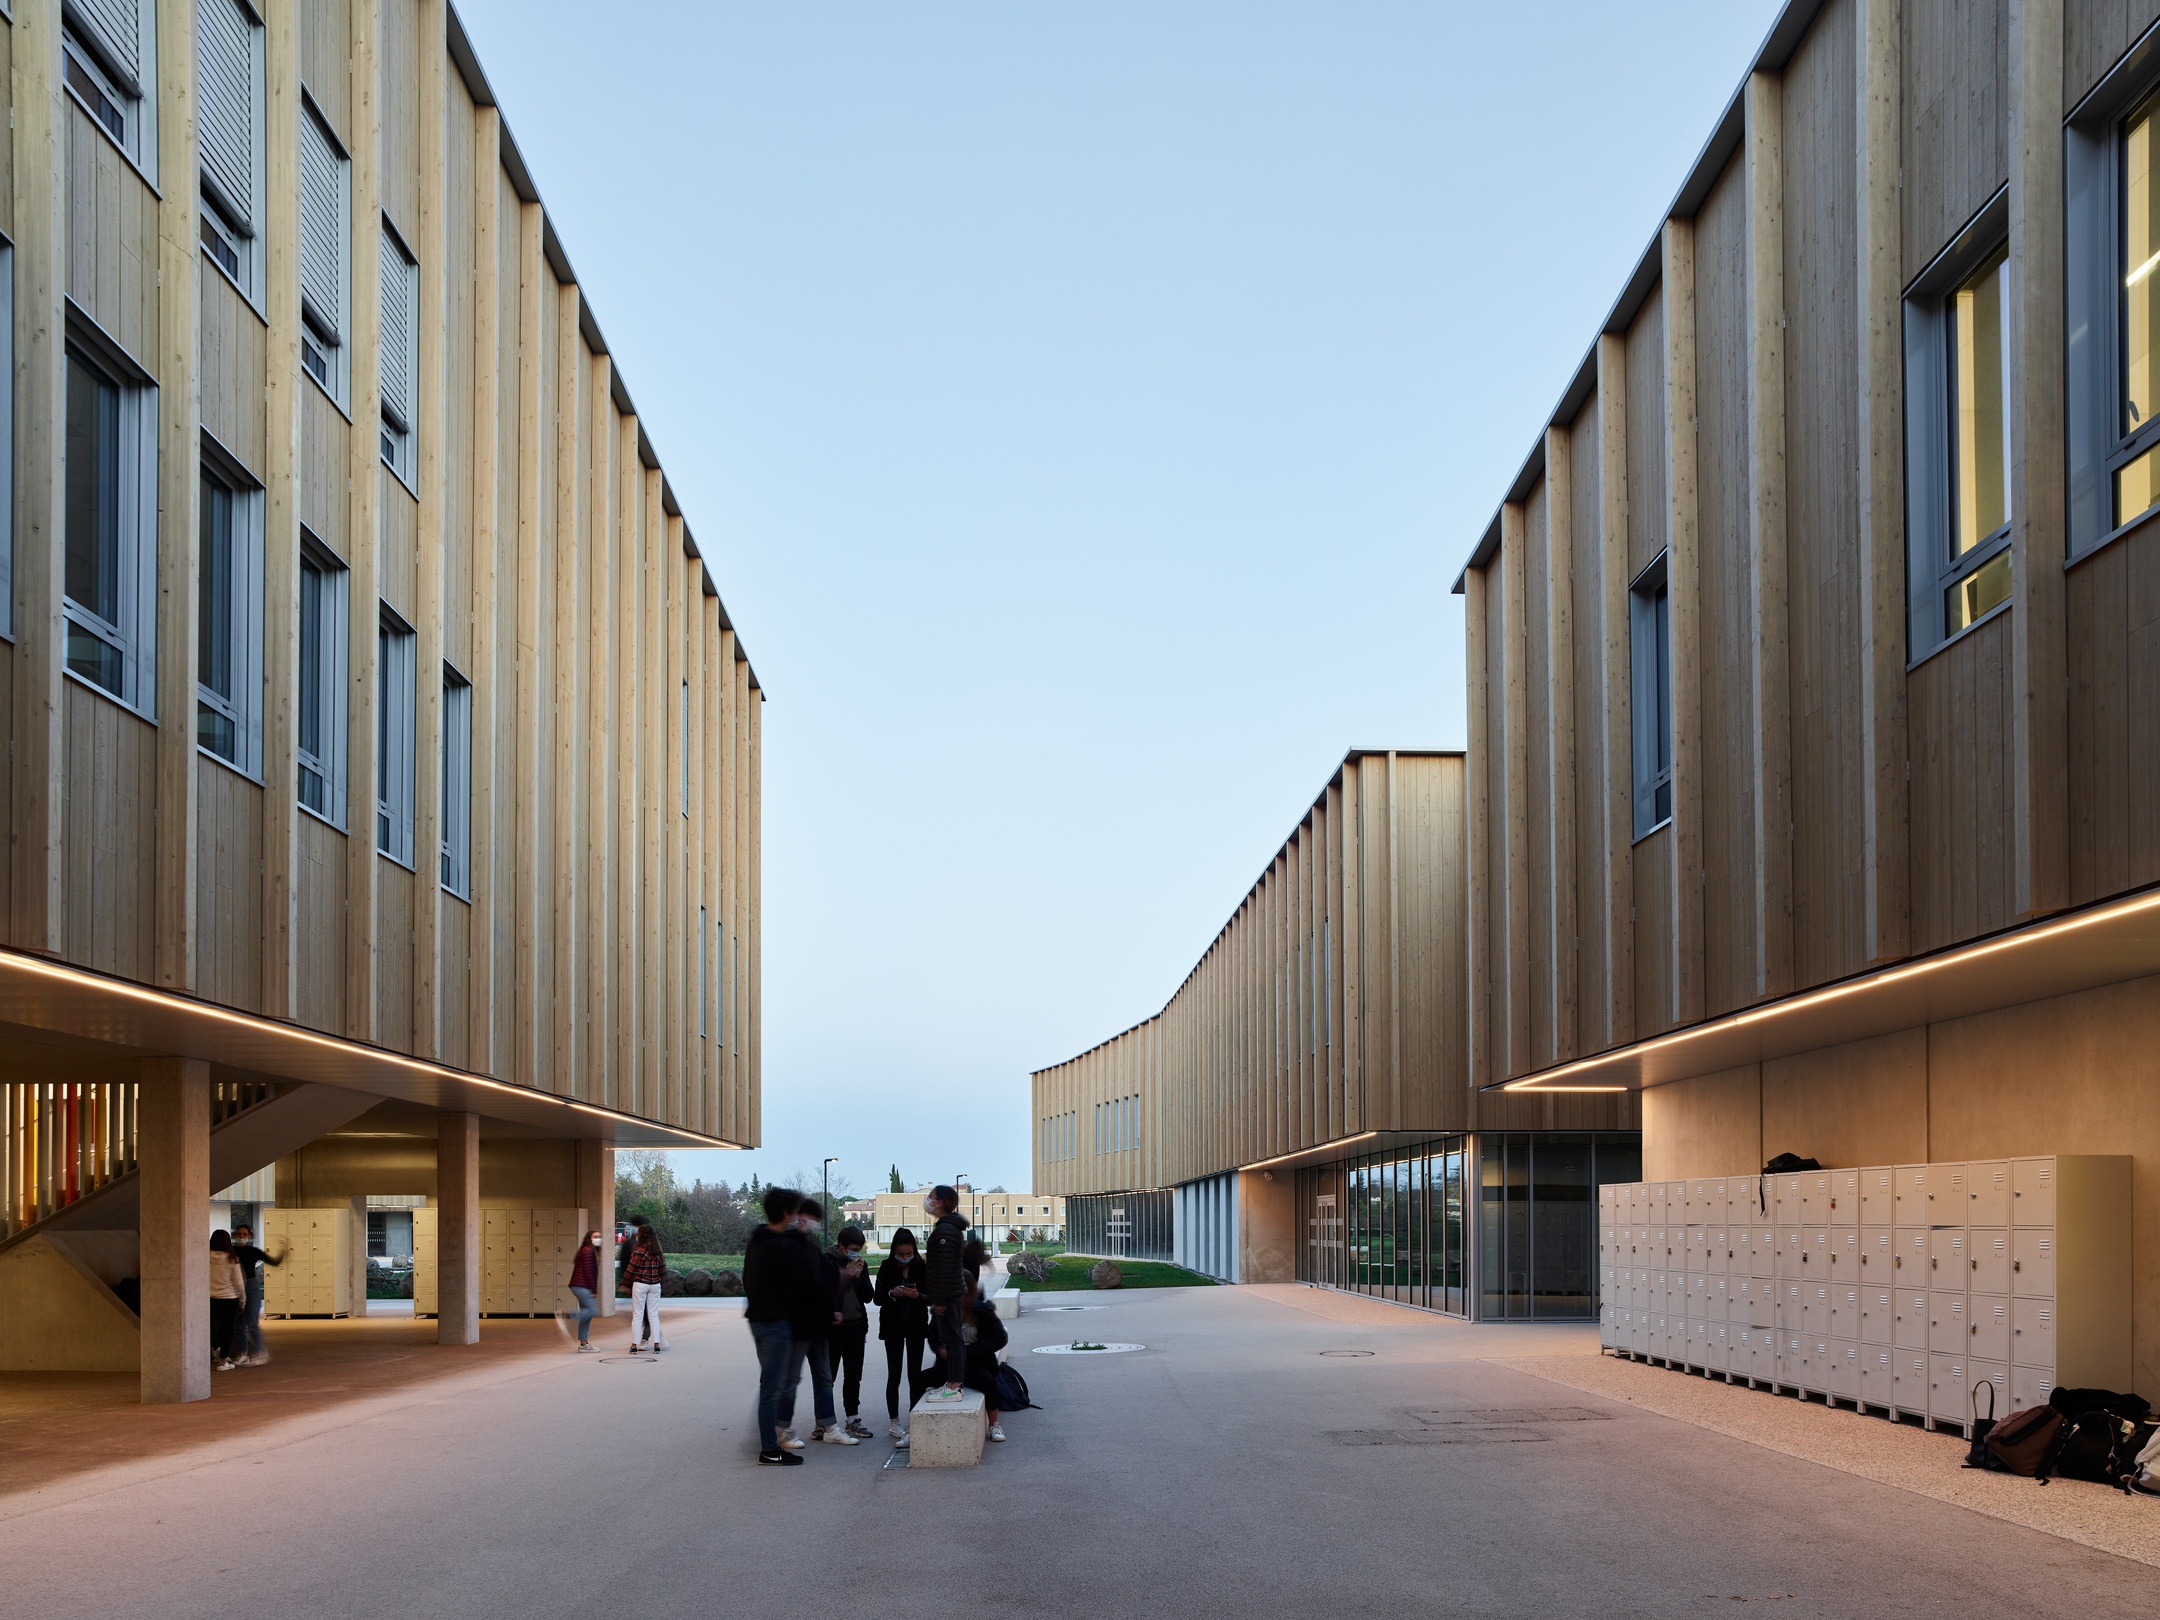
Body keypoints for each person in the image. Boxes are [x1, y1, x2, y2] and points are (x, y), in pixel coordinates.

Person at [744, 1185, 810, 1465]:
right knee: (773, 1387)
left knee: (770, 1384)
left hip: (759, 1320)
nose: (797, 1217)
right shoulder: (780, 1246)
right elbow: (803, 1274)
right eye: (794, 1212)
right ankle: (769, 1450)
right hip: (774, 1323)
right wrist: (803, 1236)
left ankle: (766, 1441)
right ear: (786, 1213)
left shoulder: (758, 1240)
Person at [790, 1200, 856, 1446]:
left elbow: (821, 1280)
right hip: (798, 1323)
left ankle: (828, 1426)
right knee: (790, 1379)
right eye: (812, 1218)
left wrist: (833, 1308)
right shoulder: (790, 1245)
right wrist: (841, 1277)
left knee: (823, 1376)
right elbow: (809, 1283)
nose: (814, 1224)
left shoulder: (810, 1245)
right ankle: (782, 1428)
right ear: (800, 1217)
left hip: (816, 1323)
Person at [874, 1227, 931, 1445]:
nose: (905, 1257)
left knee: (914, 1374)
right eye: (901, 1254)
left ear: (914, 1250)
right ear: (894, 1251)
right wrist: (892, 1293)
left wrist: (917, 1295)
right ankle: (894, 1421)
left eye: (909, 1253)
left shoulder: (921, 1267)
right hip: (893, 1326)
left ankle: (913, 1418)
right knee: (894, 1374)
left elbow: (931, 1297)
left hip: (916, 1325)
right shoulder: (887, 1266)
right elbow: (877, 1298)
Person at [824, 1224, 876, 1439]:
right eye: (853, 1249)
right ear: (842, 1246)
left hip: (856, 1326)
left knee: (854, 1376)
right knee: (828, 1377)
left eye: (859, 1250)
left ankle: (852, 1419)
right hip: (833, 1329)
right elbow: (825, 1293)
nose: (856, 1253)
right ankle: (824, 1422)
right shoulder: (826, 1261)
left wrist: (858, 1276)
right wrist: (846, 1274)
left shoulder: (860, 1264)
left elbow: (868, 1296)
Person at [920, 1185, 971, 1403]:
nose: (927, 1201)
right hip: (951, 1292)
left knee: (952, 1340)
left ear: (940, 1202)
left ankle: (954, 1386)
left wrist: (939, 1300)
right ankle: (953, 1383)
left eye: (930, 1197)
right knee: (953, 1339)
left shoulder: (945, 1231)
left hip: (948, 1294)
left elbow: (945, 1267)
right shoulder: (948, 1228)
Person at [228, 1223, 283, 1366]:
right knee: (238, 1325)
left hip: (251, 1286)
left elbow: (274, 1261)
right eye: (239, 1234)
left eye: (244, 1234)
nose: (242, 1237)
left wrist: (283, 1251)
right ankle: (243, 1353)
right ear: (235, 1236)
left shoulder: (253, 1251)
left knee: (252, 1323)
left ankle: (259, 1352)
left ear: (250, 1236)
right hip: (235, 1287)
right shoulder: (231, 1252)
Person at [622, 1224, 668, 1353]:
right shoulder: (658, 1251)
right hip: (655, 1285)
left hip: (640, 1284)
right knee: (653, 1315)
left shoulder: (638, 1250)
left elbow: (631, 1268)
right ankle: (657, 1345)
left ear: (641, 1236)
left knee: (637, 1315)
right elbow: (663, 1270)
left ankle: (634, 1345)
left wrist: (624, 1281)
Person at [208, 1230, 247, 1372]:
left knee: (210, 1326)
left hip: (210, 1298)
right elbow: (239, 1283)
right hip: (229, 1299)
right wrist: (242, 1302)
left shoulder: (204, 1258)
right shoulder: (232, 1259)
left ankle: (217, 1349)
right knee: (227, 1329)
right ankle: (222, 1360)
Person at [564, 1229, 603, 1352]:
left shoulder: (589, 1250)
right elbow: (589, 1271)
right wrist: (593, 1290)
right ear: (589, 1238)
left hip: (581, 1285)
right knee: (592, 1310)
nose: (598, 1239)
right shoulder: (588, 1251)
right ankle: (569, 1315)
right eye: (595, 1236)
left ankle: (583, 1344)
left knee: (586, 1316)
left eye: (599, 1236)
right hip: (582, 1285)